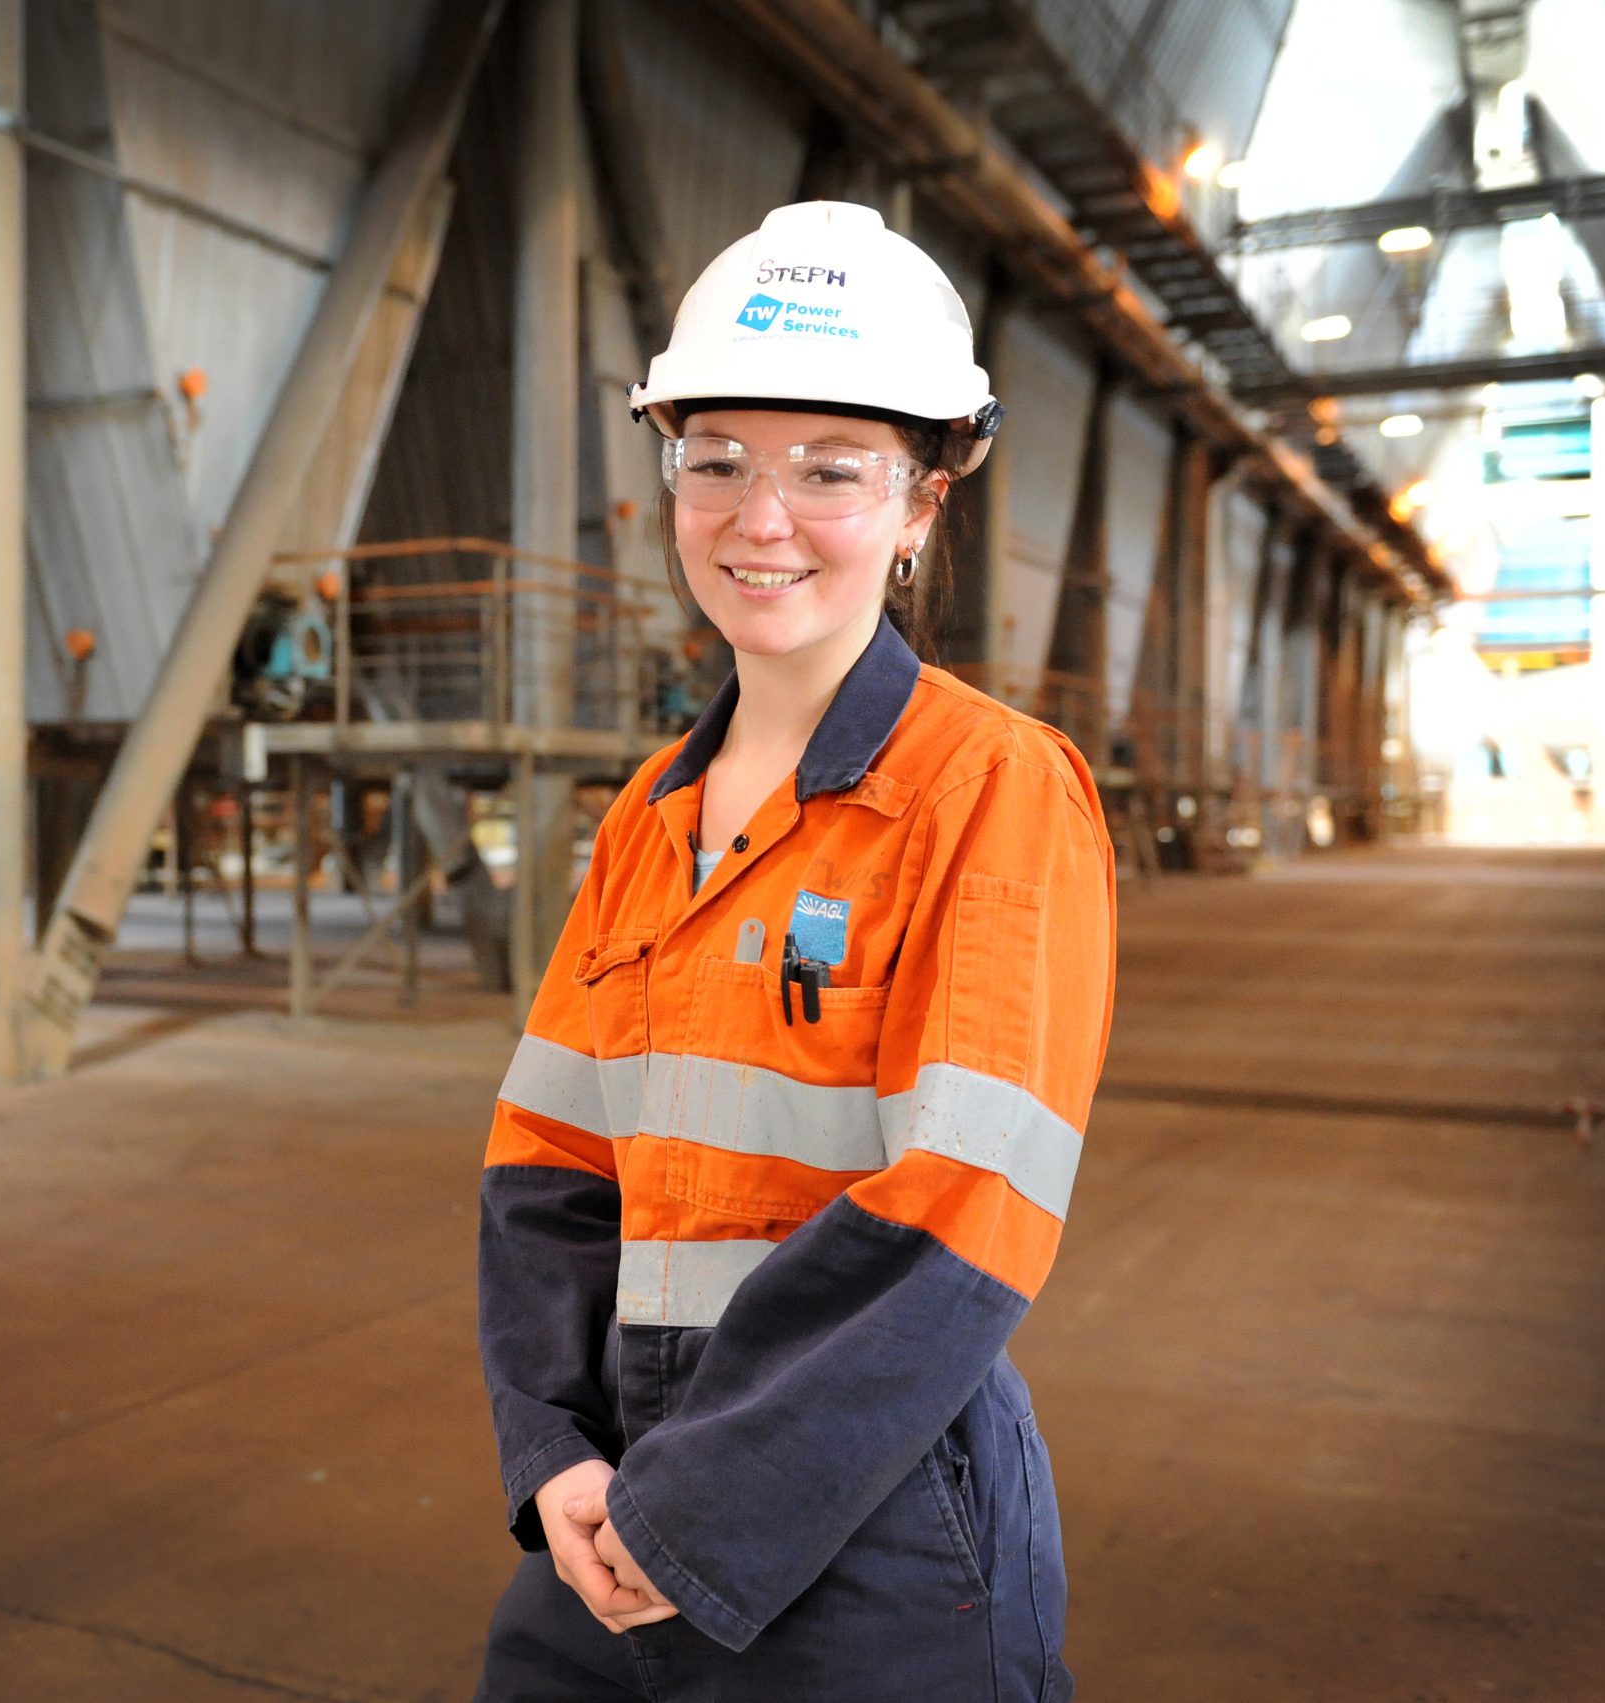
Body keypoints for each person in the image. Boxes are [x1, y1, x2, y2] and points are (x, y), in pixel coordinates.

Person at [473, 200, 1117, 1700]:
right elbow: (544, 1164)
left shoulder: (988, 788)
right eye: (719, 462)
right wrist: (557, 1449)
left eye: (832, 471)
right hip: (612, 1493)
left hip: (872, 1508)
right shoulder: (652, 810)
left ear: (922, 504)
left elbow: (963, 1211)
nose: (763, 519)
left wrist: (696, 1508)